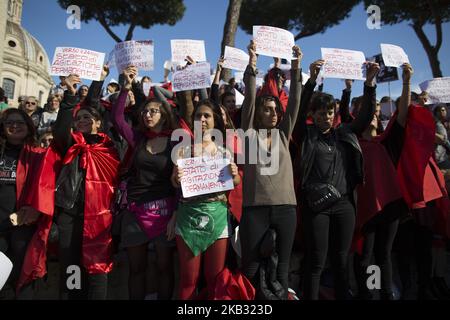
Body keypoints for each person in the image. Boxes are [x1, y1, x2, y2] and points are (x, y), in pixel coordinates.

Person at [295, 60, 380, 300]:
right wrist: (311, 81)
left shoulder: (345, 133)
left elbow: (364, 116)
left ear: (335, 114)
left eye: (330, 112)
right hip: (316, 206)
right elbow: (299, 112)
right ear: (314, 114)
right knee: (316, 262)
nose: (326, 116)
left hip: (344, 205)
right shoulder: (307, 134)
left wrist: (370, 83)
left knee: (341, 261)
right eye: (321, 112)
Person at [342, 64, 413, 300]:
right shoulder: (351, 141)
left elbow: (402, 113)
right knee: (365, 253)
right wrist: (352, 89)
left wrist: (406, 82)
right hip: (364, 208)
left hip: (390, 206)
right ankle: (365, 294)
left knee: (383, 253)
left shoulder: (388, 141)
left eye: (374, 112)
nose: (373, 115)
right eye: (366, 112)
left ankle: (384, 294)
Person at [239, 41, 303, 300]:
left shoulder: (284, 133)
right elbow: (250, 100)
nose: (274, 113)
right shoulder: (248, 133)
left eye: (277, 110)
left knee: (282, 270)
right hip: (254, 210)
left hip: (286, 208)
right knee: (251, 267)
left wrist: (296, 67)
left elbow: (296, 99)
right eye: (268, 110)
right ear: (258, 114)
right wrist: (252, 65)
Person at [111, 65, 179, 300]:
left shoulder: (175, 142)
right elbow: (118, 118)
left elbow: (181, 182)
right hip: (135, 211)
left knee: (164, 268)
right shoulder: (138, 138)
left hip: (166, 213)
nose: (147, 114)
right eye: (145, 112)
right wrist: (125, 88)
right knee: (136, 269)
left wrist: (176, 215)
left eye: (153, 111)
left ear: (164, 115)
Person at [52, 74, 120, 300]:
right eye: (78, 117)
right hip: (70, 213)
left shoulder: (110, 147)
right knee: (71, 267)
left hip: (100, 216)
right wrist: (70, 96)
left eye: (88, 117)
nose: (82, 120)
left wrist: (99, 82)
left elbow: (111, 115)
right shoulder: (69, 144)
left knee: (98, 268)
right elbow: (61, 129)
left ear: (99, 122)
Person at [170, 97, 241, 300]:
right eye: (198, 115)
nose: (202, 119)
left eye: (207, 115)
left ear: (215, 121)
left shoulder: (224, 152)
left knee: (214, 278)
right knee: (188, 279)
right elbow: (174, 183)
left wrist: (234, 173)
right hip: (189, 217)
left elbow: (233, 182)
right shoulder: (183, 150)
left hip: (217, 217)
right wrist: (176, 177)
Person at [0, 108, 50, 299]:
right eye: (9, 122)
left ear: (29, 127)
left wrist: (31, 210)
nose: (14, 126)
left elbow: (44, 188)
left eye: (20, 123)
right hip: (0, 224)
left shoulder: (39, 154)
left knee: (23, 273)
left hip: (24, 224)